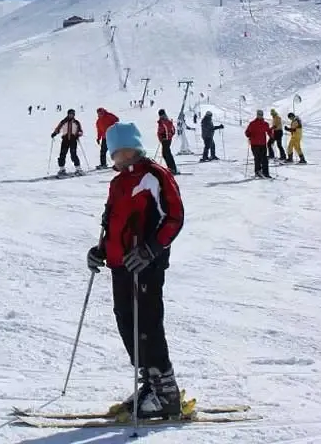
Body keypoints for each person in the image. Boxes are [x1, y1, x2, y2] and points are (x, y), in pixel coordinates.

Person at [86, 121, 184, 419]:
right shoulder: (117, 183)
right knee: (126, 322)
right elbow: (112, 222)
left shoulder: (155, 175)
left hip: (146, 265)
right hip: (121, 265)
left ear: (136, 148)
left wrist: (151, 250)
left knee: (148, 324)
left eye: (125, 151)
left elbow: (174, 218)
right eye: (116, 152)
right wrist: (100, 250)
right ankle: (150, 383)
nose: (120, 157)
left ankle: (166, 394)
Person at [51, 109, 84, 176]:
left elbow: (80, 131)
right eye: (70, 114)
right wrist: (54, 133)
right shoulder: (63, 121)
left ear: (74, 115)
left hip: (73, 140)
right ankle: (62, 169)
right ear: (68, 114)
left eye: (72, 114)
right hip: (65, 140)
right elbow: (58, 128)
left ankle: (78, 169)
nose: (71, 115)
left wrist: (78, 134)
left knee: (73, 154)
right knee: (62, 154)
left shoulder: (76, 122)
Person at [245, 110, 273, 178]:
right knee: (257, 158)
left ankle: (265, 173)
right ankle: (257, 172)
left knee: (264, 159)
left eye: (261, 114)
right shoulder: (252, 123)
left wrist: (272, 137)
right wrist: (248, 135)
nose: (260, 116)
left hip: (262, 144)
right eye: (259, 114)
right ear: (257, 115)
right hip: (254, 144)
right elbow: (247, 132)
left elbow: (268, 131)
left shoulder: (265, 124)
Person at [156, 109, 178, 174]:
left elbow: (171, 130)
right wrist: (161, 137)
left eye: (162, 115)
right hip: (164, 140)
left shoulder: (166, 121)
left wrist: (165, 136)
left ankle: (172, 168)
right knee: (165, 154)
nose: (161, 116)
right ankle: (171, 168)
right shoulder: (162, 121)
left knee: (167, 153)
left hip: (166, 140)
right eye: (160, 115)